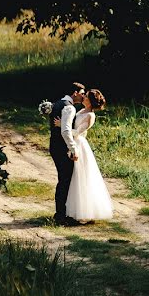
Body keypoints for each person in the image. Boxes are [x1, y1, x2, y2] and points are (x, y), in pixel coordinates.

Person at [64, 88, 113, 223]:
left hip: (80, 144)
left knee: (82, 176)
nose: (83, 97)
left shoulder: (90, 116)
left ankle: (85, 212)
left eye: (85, 96)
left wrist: (62, 127)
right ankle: (74, 210)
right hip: (75, 142)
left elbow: (78, 132)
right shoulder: (80, 110)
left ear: (90, 101)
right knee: (74, 176)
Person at [49, 82, 85, 226]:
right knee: (65, 181)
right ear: (75, 93)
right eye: (82, 93)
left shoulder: (57, 104)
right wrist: (73, 148)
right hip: (62, 148)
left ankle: (61, 213)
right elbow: (65, 131)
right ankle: (61, 216)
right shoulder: (69, 107)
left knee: (63, 180)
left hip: (54, 146)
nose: (83, 96)